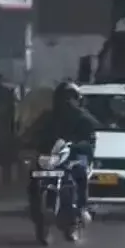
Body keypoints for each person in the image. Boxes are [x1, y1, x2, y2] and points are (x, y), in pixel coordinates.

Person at [26, 82, 103, 217]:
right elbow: (33, 133)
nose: (67, 101)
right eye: (64, 97)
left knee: (80, 172)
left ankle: (82, 206)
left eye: (70, 97)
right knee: (34, 175)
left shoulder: (83, 117)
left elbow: (92, 135)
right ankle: (34, 207)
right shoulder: (48, 116)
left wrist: (80, 145)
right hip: (52, 156)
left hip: (74, 155)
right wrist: (27, 143)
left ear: (77, 99)